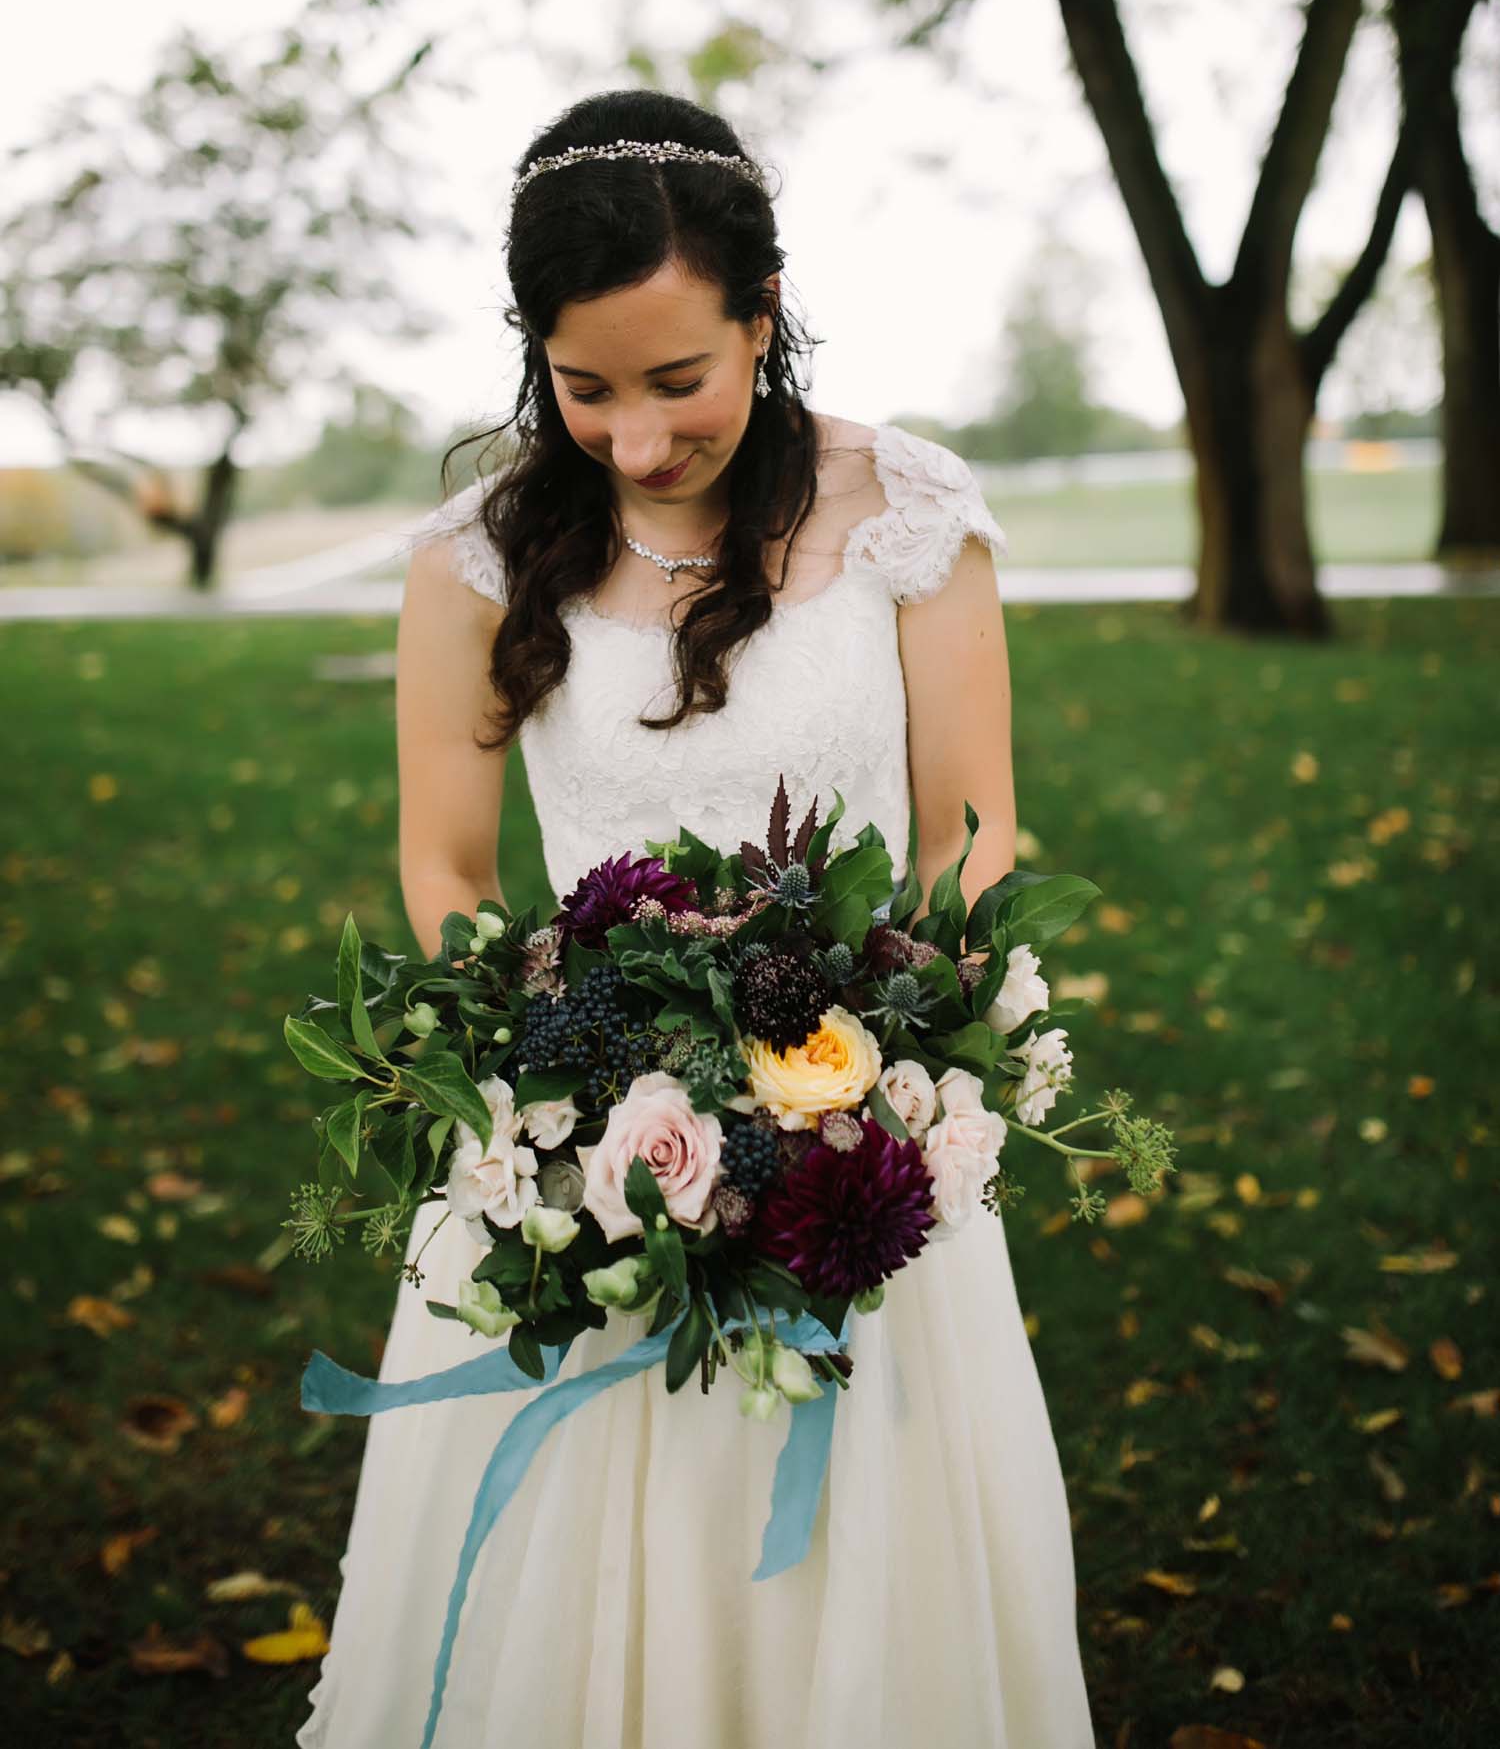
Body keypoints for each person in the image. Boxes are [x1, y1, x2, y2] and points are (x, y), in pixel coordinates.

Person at [295, 90, 1096, 1749]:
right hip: (578, 1137)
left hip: (853, 1121)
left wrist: (868, 1064)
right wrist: (568, 1092)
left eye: (681, 382)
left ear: (764, 314)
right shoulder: (475, 558)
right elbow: (445, 868)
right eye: (585, 390)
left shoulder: (905, 515)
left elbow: (968, 822)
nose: (638, 439)